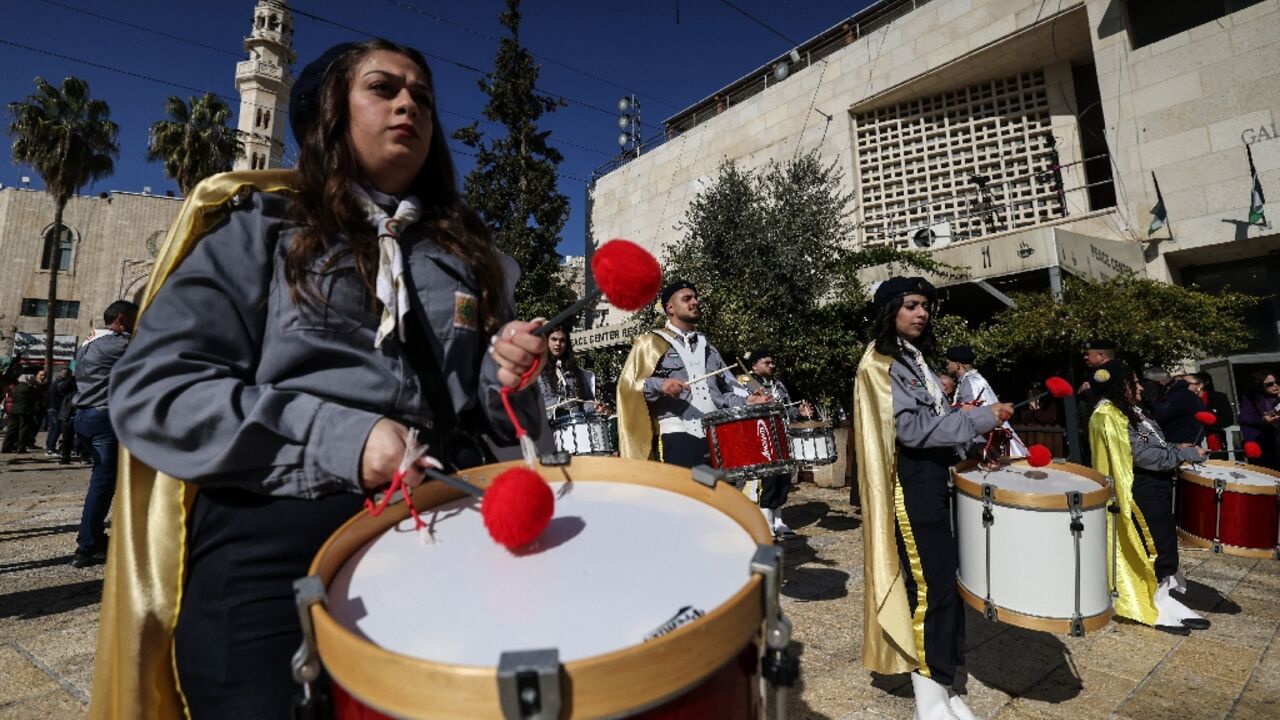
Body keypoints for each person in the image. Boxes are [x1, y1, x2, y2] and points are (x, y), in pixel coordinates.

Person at [92, 39, 547, 719]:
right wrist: (344, 439)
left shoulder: (471, 258)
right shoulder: (260, 230)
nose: (409, 106)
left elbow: (490, 416)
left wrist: (508, 376)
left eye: (422, 97)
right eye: (383, 89)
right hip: (278, 535)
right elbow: (155, 390)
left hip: (443, 519)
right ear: (327, 115)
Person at [854, 276, 1012, 720]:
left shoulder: (911, 357)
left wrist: (969, 429)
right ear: (890, 310)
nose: (921, 313)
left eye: (925, 305)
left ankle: (943, 681)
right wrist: (980, 418)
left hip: (934, 479)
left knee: (948, 585)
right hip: (911, 485)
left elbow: (931, 418)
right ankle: (928, 695)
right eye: (911, 305)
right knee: (929, 587)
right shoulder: (880, 362)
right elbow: (912, 430)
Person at [1087, 360, 1208, 634]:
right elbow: (1141, 456)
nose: (1141, 388)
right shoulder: (1108, 414)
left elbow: (1153, 445)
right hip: (1140, 488)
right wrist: (1184, 454)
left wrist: (1177, 447)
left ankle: (1165, 597)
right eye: (1134, 383)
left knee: (1165, 542)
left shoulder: (1131, 411)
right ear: (1121, 386)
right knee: (1154, 546)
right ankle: (1151, 602)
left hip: (1157, 486)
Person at [616, 281, 765, 467]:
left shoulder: (708, 348)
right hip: (676, 435)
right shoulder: (650, 343)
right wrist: (661, 385)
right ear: (670, 308)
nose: (695, 302)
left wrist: (746, 401)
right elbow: (629, 387)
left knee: (714, 495)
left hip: (715, 436)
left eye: (695, 298)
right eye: (687, 299)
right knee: (683, 495)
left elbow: (723, 394)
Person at [69, 300, 138, 568]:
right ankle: (87, 546)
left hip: (84, 417)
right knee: (103, 482)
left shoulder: (86, 345)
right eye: (133, 319)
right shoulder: (120, 345)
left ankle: (93, 538)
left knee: (101, 479)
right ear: (121, 319)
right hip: (104, 418)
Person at [740, 347, 811, 539]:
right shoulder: (745, 383)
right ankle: (765, 522)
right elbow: (740, 408)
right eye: (767, 363)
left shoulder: (778, 384)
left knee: (783, 479)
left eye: (772, 362)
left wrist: (800, 413)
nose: (772, 366)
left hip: (782, 436)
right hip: (761, 437)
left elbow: (787, 410)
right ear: (754, 365)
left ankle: (778, 520)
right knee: (767, 480)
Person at [945, 345, 1026, 459]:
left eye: (948, 363)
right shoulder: (972, 379)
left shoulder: (970, 382)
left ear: (958, 365)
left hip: (984, 441)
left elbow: (970, 415)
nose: (946, 366)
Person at [538, 324, 601, 417]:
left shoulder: (575, 371)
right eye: (554, 339)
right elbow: (543, 401)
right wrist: (568, 403)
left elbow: (585, 400)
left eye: (562, 340)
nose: (558, 344)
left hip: (573, 424)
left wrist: (594, 407)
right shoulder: (537, 370)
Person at [1143, 367, 1207, 445]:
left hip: (1181, 446)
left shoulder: (1182, 396)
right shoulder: (1179, 395)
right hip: (1185, 443)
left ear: (1160, 382)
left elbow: (1158, 415)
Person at [1238, 369, 1280, 470]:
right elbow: (1245, 418)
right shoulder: (1251, 399)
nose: (1275, 385)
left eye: (1277, 382)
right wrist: (1263, 420)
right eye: (1270, 384)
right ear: (1260, 386)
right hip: (1265, 442)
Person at [1185, 372, 1233, 451]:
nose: (1183, 386)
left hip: (1214, 442)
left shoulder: (1218, 397)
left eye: (1187, 383)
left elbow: (1228, 419)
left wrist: (1212, 420)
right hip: (1190, 443)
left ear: (1200, 385)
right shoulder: (1183, 399)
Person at [1, 374, 36, 453]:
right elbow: (33, 398)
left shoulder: (15, 388)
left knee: (11, 429)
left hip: (13, 411)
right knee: (23, 429)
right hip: (24, 411)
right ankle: (21, 448)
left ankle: (5, 447)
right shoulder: (28, 388)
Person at [44, 368, 73, 456]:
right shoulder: (62, 383)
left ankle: (49, 447)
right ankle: (51, 449)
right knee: (57, 429)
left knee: (53, 429)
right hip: (56, 408)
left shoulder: (55, 382)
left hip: (51, 408)